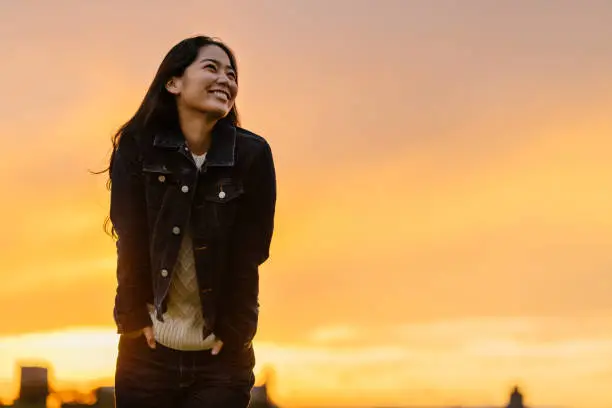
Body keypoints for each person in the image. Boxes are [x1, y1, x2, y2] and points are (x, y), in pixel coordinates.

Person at [104, 35, 276, 408]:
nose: (226, 80)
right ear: (173, 82)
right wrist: (133, 319)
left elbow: (252, 251)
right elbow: (129, 240)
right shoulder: (137, 147)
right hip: (146, 354)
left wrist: (236, 332)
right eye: (211, 68)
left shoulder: (251, 155)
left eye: (232, 74)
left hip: (221, 358)